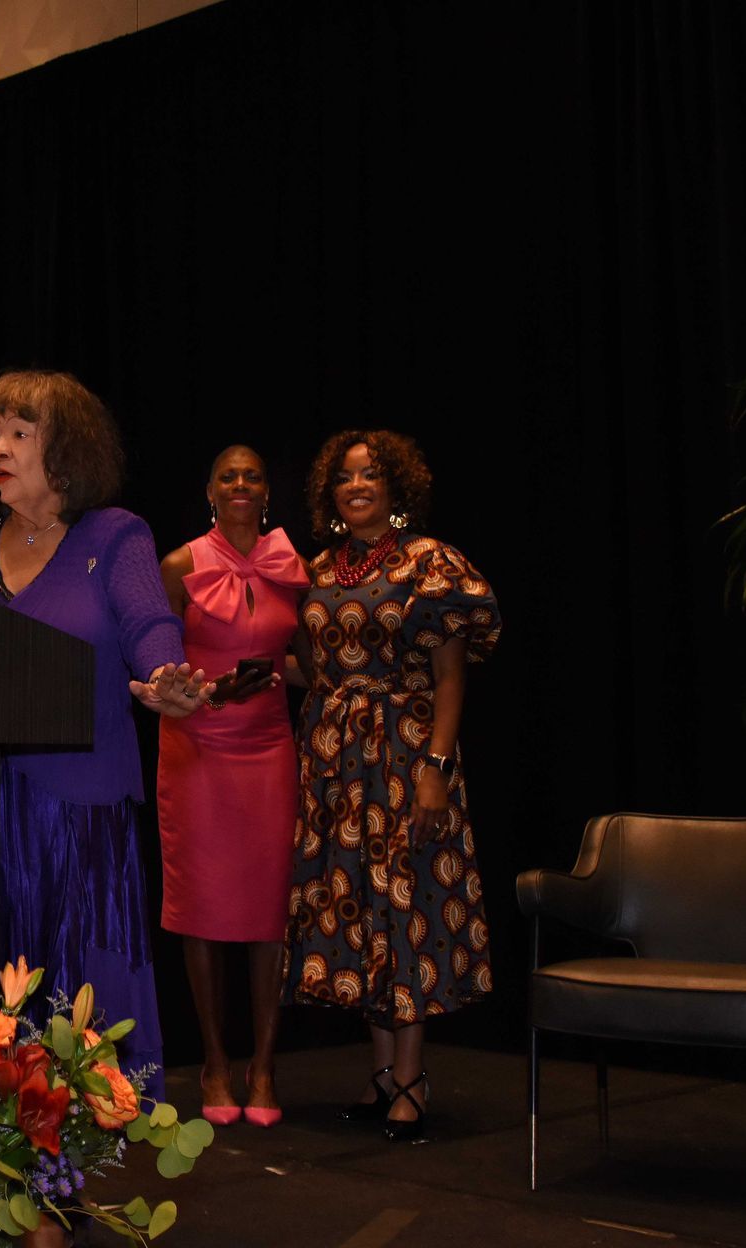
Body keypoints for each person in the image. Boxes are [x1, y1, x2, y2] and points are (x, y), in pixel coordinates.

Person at [0, 370, 208, 1095]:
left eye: (21, 433)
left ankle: (86, 1142)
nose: (0, 447)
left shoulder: (114, 536)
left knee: (80, 1010)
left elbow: (148, 623)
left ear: (68, 450)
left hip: (79, 816)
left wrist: (164, 675)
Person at [284, 430, 499, 1142]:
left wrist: (436, 769)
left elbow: (450, 678)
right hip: (336, 765)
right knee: (360, 916)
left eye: (370, 474)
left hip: (406, 757)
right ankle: (381, 1079)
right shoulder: (318, 567)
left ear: (395, 486)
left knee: (405, 911)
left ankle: (411, 1081)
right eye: (345, 476)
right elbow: (318, 669)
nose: (356, 486)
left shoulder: (429, 562)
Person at [156, 446, 308, 1127]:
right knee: (204, 906)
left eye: (253, 475)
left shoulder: (292, 566)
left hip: (269, 748)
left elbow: (303, 661)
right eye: (229, 475)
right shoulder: (179, 565)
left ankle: (265, 1065)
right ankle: (215, 1062)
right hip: (197, 747)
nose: (241, 483)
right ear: (210, 489)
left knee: (270, 907)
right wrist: (214, 690)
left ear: (266, 490)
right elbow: (158, 667)